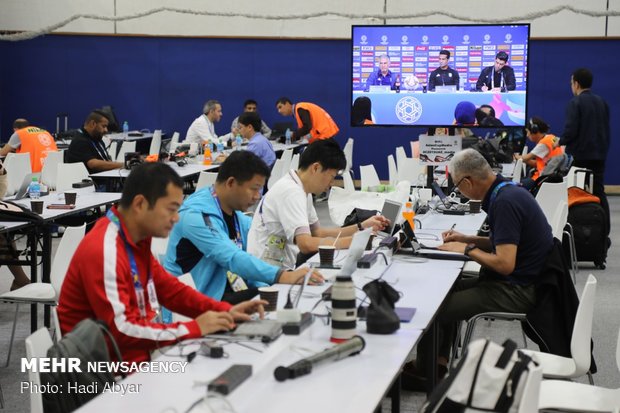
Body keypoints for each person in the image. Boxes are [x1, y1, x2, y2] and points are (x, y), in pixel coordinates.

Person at [58, 163, 266, 364]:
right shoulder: (105, 249)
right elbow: (121, 329)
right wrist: (193, 328)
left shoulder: (133, 238)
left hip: (138, 358)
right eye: (171, 209)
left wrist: (223, 310)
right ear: (140, 204)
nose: (176, 218)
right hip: (104, 376)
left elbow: (170, 290)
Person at [403, 149, 553, 390]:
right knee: (444, 290)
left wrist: (466, 250)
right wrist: (467, 238)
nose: (458, 192)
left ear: (467, 182)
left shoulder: (504, 203)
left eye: (456, 186)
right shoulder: (506, 192)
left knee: (435, 309)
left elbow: (505, 264)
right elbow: (502, 242)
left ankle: (426, 373)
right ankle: (438, 362)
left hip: (517, 290)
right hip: (519, 281)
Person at [164, 151, 322, 302]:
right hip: (194, 303)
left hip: (226, 292)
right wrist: (282, 276)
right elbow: (232, 257)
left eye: (260, 189)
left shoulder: (237, 216)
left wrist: (271, 286)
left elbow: (248, 262)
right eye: (253, 189)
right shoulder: (195, 216)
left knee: (284, 296)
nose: (257, 196)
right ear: (231, 183)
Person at [247, 139, 389, 269]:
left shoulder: (302, 189)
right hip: (266, 272)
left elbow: (318, 233)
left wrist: (362, 226)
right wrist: (353, 242)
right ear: (315, 168)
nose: (331, 184)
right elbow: (306, 244)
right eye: (331, 177)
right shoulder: (291, 192)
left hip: (279, 266)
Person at [560, 68, 610, 237]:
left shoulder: (576, 103)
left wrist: (559, 142)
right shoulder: (602, 102)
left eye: (571, 83)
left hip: (581, 157)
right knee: (599, 192)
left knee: (578, 194)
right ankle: (603, 233)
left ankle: (582, 233)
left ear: (576, 84)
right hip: (599, 155)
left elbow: (571, 130)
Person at [516, 117, 564, 184]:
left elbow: (526, 157)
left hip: (542, 178)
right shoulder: (552, 138)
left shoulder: (543, 143)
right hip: (551, 175)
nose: (527, 135)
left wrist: (515, 156)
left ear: (534, 131)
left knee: (517, 185)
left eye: (528, 132)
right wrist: (524, 160)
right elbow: (538, 164)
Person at [275, 97, 339, 143]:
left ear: (287, 104)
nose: (279, 111)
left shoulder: (300, 108)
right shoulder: (298, 110)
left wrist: (293, 135)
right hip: (324, 133)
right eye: (278, 109)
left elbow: (307, 127)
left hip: (324, 134)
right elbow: (306, 131)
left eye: (280, 107)